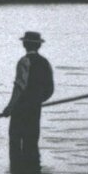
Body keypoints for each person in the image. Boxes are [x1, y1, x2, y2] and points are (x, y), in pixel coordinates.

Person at [4, 31, 55, 166]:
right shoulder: (45, 63)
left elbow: (19, 86)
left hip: (20, 110)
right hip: (35, 110)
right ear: (39, 46)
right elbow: (50, 89)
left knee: (15, 143)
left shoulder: (24, 61)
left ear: (25, 44)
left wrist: (10, 107)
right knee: (31, 142)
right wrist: (37, 100)